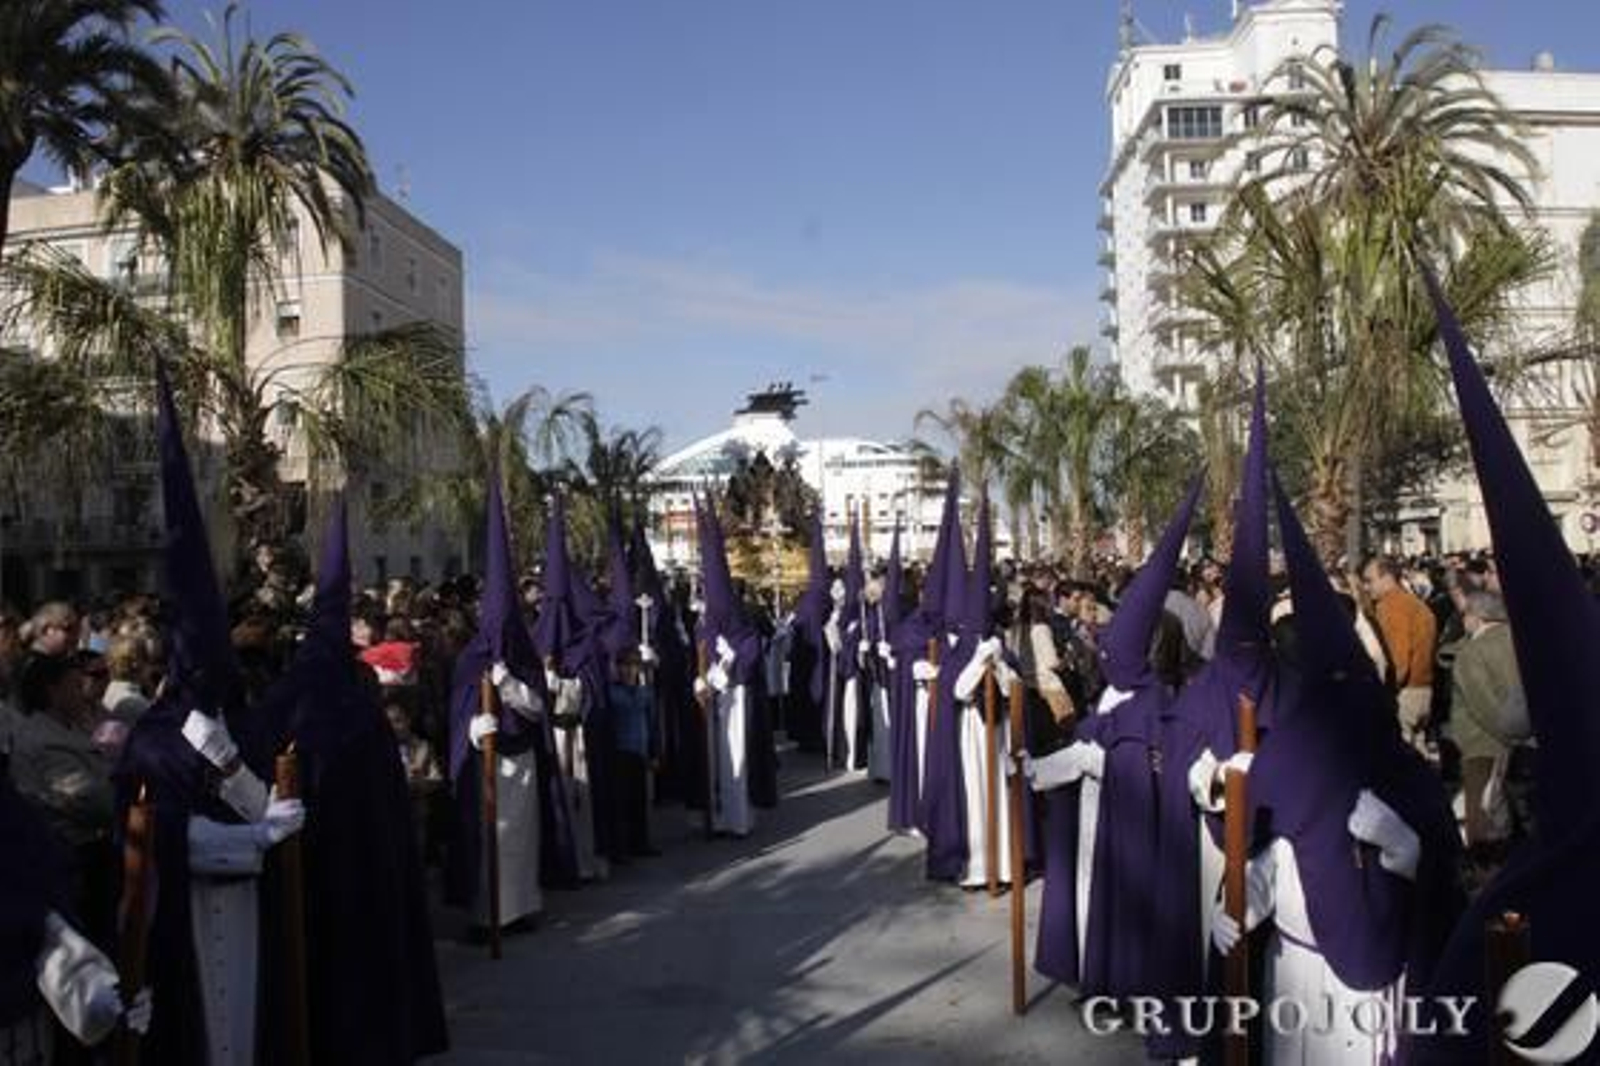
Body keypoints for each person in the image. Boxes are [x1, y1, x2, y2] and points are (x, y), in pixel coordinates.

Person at [1446, 589, 1530, 875]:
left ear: (1477, 616)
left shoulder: (1472, 652)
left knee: (1486, 830)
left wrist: (1512, 736)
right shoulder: (1520, 640)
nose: (1463, 620)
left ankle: (1492, 889)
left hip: (1485, 746)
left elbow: (1483, 705)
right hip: (1527, 745)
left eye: (1466, 614)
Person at [1363, 554, 1438, 756]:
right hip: (1423, 690)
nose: (1366, 587)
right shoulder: (1414, 603)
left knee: (1398, 758)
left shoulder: (1392, 605)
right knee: (1418, 757)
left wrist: (1382, 694)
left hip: (1404, 694)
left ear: (1387, 577)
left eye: (1369, 580)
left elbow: (1397, 660)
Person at [608, 648, 658, 857]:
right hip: (621, 753)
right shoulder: (612, 693)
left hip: (640, 751)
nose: (629, 671)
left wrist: (654, 753)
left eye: (634, 666)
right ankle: (622, 847)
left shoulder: (645, 693)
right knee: (622, 803)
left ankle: (641, 843)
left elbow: (652, 724)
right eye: (625, 666)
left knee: (640, 800)